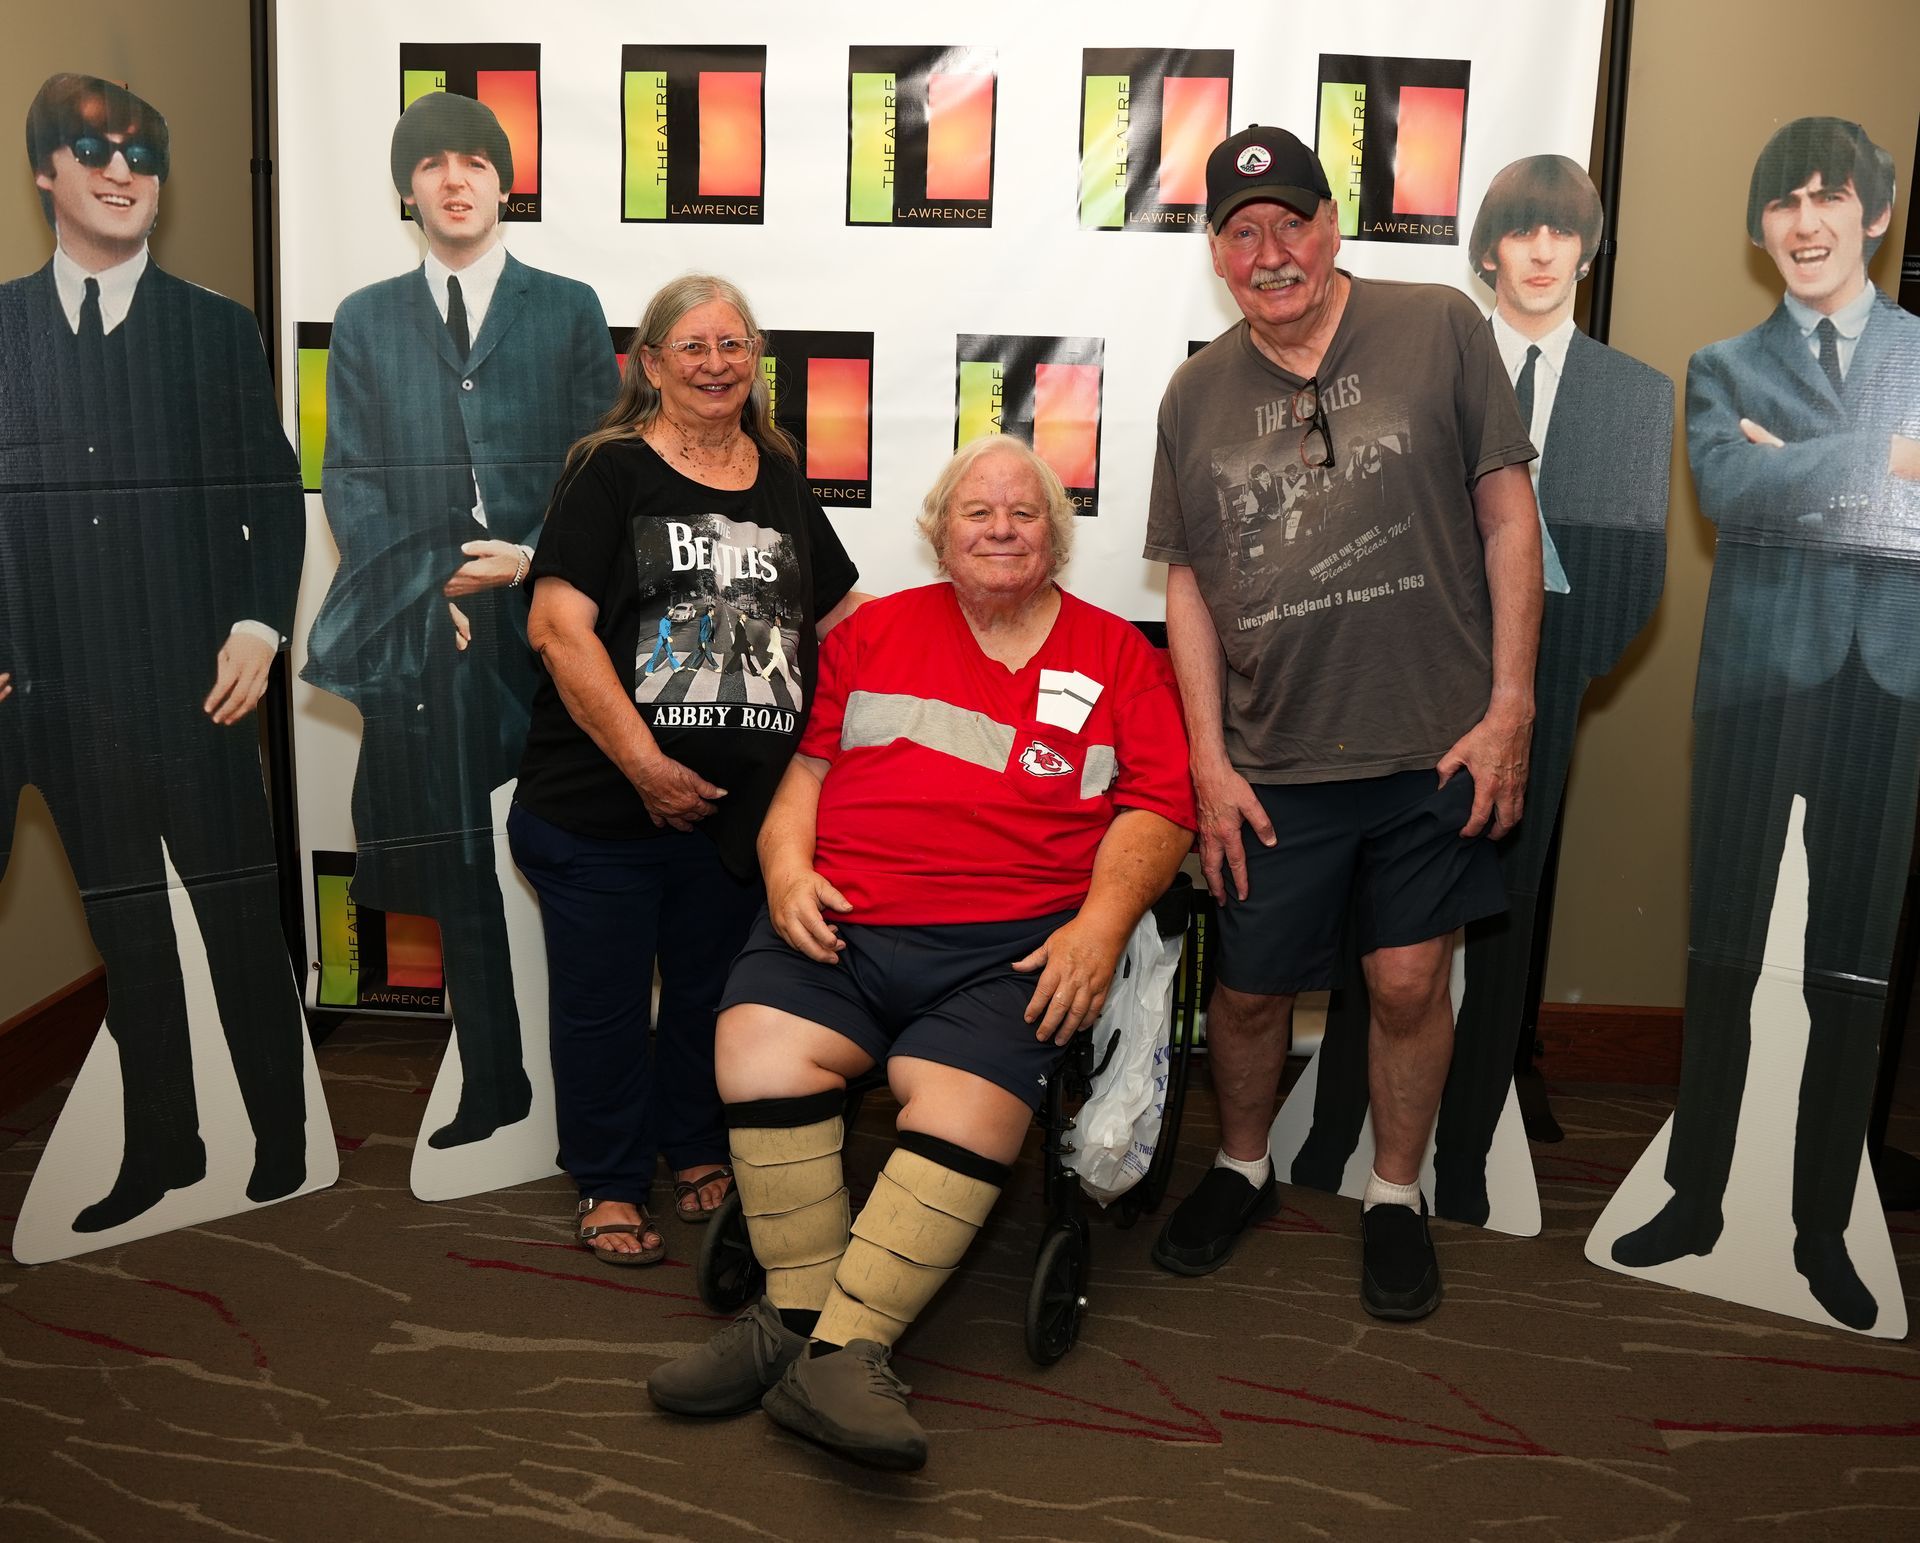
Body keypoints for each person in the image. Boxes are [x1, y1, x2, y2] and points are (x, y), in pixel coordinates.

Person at [645, 436, 1194, 1468]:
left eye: (1021, 513)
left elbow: (1161, 809)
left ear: (1056, 535)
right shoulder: (873, 634)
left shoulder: (1120, 654)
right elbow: (798, 779)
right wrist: (785, 872)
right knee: (757, 1049)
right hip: (843, 922)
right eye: (976, 512)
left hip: (1008, 950)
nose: (998, 528)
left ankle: (843, 1353)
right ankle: (794, 1318)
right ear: (941, 532)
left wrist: (1100, 924)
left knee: (963, 1108)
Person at [1142, 125, 1542, 1318]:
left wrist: (1512, 703)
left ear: (1331, 226)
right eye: (1242, 232)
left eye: (1291, 223)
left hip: (1434, 738)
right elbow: (1188, 587)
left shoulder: (1440, 328)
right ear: (1218, 254)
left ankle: (1394, 1192)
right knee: (1253, 989)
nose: (1271, 253)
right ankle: (1242, 1167)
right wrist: (1207, 760)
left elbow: (1512, 522)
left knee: (1412, 980)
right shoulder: (1195, 392)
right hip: (1274, 758)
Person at [1294, 156, 1673, 1224]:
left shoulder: (1635, 397)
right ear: (1489, 249)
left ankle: (1461, 1165)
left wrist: (1538, 684)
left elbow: (1634, 574)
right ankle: (1332, 1137)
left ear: (1588, 253)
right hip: (1402, 677)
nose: (1544, 251)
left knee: (1499, 925)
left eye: (1564, 234)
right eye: (1523, 231)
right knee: (1383, 913)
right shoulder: (1424, 367)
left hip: (1540, 691)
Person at [1609, 119, 1919, 1332]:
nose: (1804, 221)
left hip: (1890, 691)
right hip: (1751, 686)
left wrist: (1807, 461)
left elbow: (1776, 481)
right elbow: (1728, 487)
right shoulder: (1722, 365)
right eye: (1782, 202)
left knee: (1853, 967)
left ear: (1874, 215)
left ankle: (1820, 1226)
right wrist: (1887, 457)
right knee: (1724, 952)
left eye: (1828, 197)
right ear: (1760, 228)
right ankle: (1695, 1199)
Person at [0, 73, 309, 1231]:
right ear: (47, 172)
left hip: (201, 693)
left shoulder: (214, 328)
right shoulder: (1, 328)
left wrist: (256, 624)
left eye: (143, 156)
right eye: (94, 150)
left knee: (236, 917)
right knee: (129, 934)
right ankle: (163, 1147)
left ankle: (281, 1135)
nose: (124, 172)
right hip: (64, 701)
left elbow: (270, 497)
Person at [510, 274, 861, 1266]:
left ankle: (695, 1143)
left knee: (712, 994)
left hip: (732, 816)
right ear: (650, 364)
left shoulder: (777, 471)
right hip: (602, 808)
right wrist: (646, 765)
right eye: (693, 346)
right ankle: (611, 1180)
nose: (716, 365)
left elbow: (836, 616)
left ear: (756, 363)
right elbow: (556, 626)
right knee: (607, 1003)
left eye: (734, 346)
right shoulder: (609, 471)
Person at [303, 92, 617, 1153]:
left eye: (474, 161)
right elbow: (349, 478)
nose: (454, 179)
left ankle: (606, 1083)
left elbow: (600, 465)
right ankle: (497, 1079)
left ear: (501, 182)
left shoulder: (569, 307)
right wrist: (434, 581)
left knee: (582, 849)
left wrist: (525, 556)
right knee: (458, 862)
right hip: (433, 625)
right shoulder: (364, 319)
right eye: (432, 164)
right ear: (408, 190)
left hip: (556, 614)